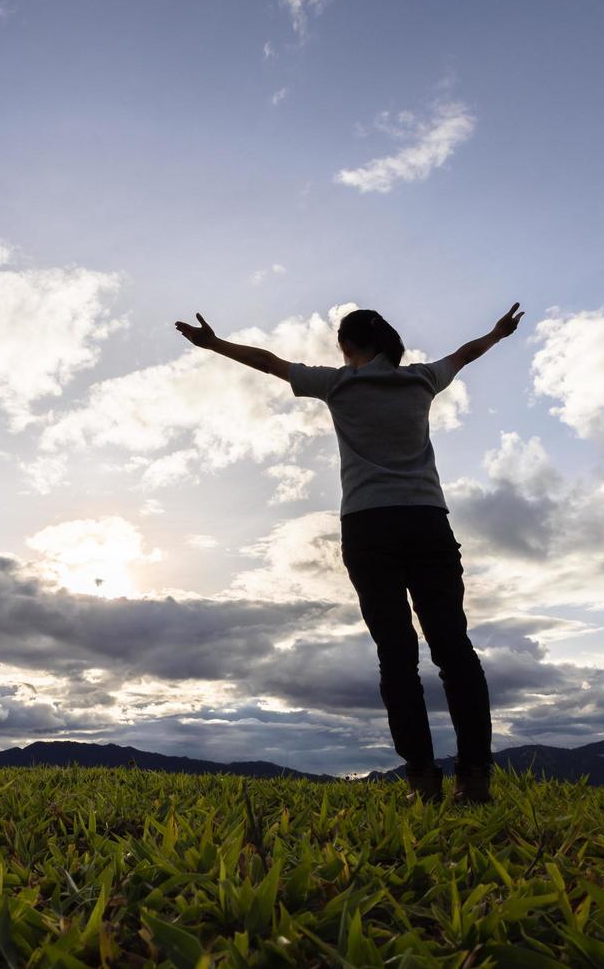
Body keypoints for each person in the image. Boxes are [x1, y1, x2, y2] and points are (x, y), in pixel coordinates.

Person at [174, 303, 524, 805]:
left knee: (397, 656)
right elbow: (466, 354)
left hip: (368, 525)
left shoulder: (338, 384)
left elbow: (270, 362)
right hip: (427, 520)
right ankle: (475, 780)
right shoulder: (423, 379)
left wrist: (214, 344)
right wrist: (499, 332)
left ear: (347, 346)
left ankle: (422, 781)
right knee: (454, 651)